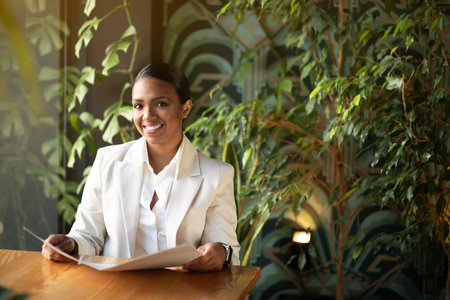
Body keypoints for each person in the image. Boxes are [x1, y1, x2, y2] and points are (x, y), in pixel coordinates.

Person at [42, 62, 240, 271]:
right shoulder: (107, 162)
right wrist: (70, 245)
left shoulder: (216, 175)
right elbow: (88, 236)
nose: (147, 115)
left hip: (182, 291)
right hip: (117, 290)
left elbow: (227, 249)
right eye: (138, 105)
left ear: (185, 108)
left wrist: (221, 252)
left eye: (160, 104)